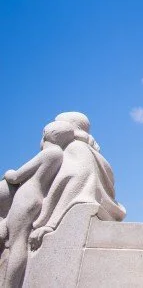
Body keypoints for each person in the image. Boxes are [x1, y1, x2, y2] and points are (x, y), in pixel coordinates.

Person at [28, 112, 125, 250]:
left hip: (71, 222)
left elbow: (77, 184)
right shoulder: (92, 154)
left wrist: (50, 223)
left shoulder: (75, 148)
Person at [0, 121, 74, 288]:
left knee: (17, 243)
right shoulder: (59, 154)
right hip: (35, 197)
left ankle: (9, 284)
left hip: (26, 197)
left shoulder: (50, 152)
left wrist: (8, 173)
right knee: (15, 239)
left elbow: (16, 176)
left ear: (46, 134)